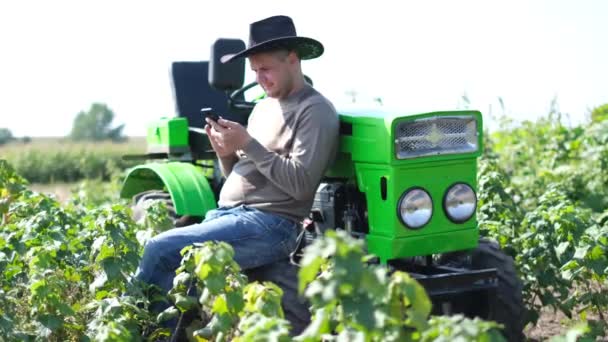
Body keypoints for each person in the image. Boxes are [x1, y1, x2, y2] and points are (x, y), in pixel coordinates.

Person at [135, 15, 340, 334]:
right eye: (255, 71)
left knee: (160, 251)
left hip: (271, 223)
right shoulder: (262, 109)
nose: (260, 78)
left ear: (292, 59)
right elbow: (240, 176)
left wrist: (246, 142)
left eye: (266, 69)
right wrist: (226, 152)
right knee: (185, 289)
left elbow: (300, 186)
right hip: (232, 215)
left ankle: (138, 333)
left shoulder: (314, 110)